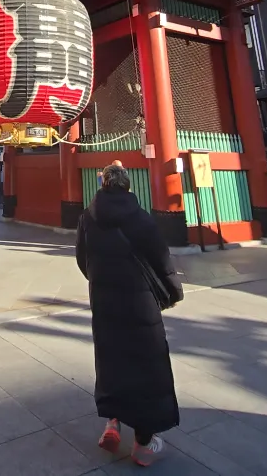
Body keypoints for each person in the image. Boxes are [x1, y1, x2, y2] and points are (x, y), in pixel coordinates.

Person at [76, 163, 183, 467]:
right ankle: (143, 443)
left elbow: (82, 259)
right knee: (146, 365)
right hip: (139, 303)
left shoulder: (87, 218)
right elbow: (162, 259)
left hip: (105, 302)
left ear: (103, 184)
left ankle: (112, 422)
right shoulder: (142, 218)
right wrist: (174, 291)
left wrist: (100, 280)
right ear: (128, 186)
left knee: (111, 359)